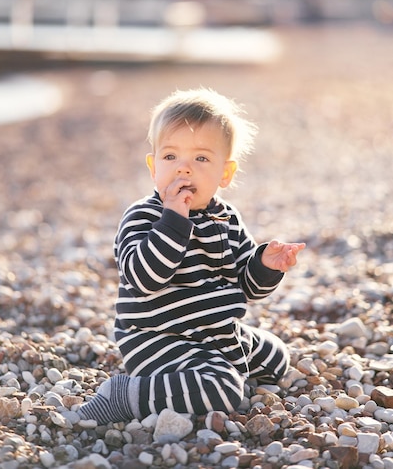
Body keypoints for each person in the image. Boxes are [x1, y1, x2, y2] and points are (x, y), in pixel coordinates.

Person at [78, 87, 305, 425]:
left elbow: (246, 287)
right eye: (171, 157)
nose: (183, 169)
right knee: (225, 390)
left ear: (224, 174)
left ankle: (205, 374)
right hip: (157, 337)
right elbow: (143, 278)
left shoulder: (226, 219)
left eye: (200, 159)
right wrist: (173, 221)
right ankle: (124, 396)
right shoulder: (144, 217)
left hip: (213, 330)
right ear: (154, 167)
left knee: (276, 358)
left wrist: (265, 266)